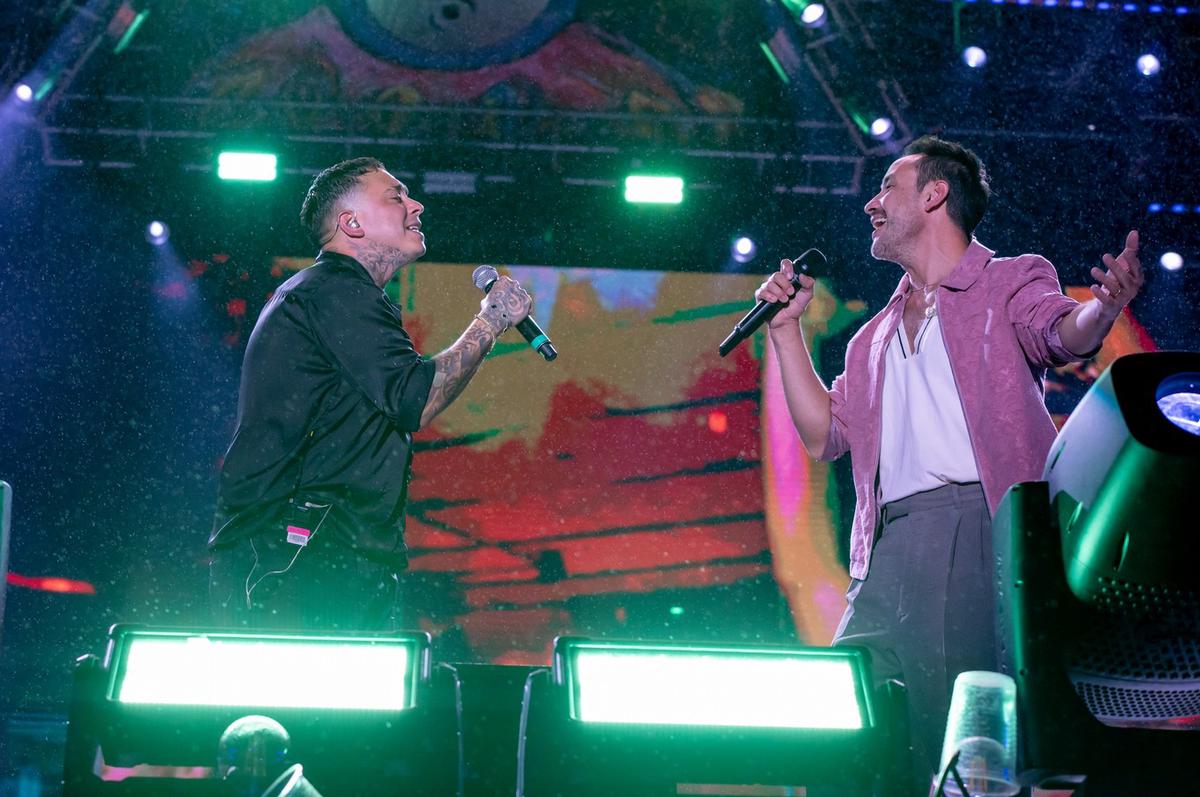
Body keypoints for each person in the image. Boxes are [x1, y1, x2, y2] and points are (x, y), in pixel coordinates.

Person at [755, 136, 1143, 794]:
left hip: (969, 525)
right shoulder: (872, 336)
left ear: (934, 194)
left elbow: (1058, 330)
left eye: (888, 188)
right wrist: (786, 331)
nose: (872, 204)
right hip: (882, 550)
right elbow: (825, 435)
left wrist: (1102, 309)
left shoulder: (1005, 281)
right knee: (845, 713)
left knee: (955, 739)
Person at [209, 157, 531, 632]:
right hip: (301, 551)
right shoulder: (332, 291)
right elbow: (414, 399)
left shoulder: (336, 295)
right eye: (396, 196)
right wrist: (490, 321)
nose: (416, 206)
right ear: (351, 223)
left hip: (330, 549)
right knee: (304, 702)